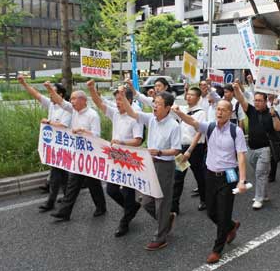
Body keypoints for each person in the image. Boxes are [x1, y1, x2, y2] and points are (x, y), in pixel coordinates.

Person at [172, 100, 248, 264]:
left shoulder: (236, 131)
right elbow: (192, 121)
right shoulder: (210, 127)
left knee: (223, 212)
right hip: (211, 173)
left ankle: (217, 249)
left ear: (230, 113)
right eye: (218, 109)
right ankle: (231, 225)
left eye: (223, 110)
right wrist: (178, 112)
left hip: (229, 174)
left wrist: (242, 180)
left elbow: (241, 156)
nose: (219, 112)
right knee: (211, 211)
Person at [120, 88, 181, 251]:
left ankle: (160, 237)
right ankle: (166, 219)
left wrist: (160, 152)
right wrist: (122, 97)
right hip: (149, 164)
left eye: (159, 104)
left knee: (162, 202)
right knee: (146, 201)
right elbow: (132, 113)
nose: (155, 107)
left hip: (164, 166)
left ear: (168, 108)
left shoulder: (174, 125)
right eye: (154, 103)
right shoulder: (151, 119)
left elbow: (176, 150)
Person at [87, 80, 143, 237]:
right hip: (115, 157)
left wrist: (122, 142)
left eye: (120, 99)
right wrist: (91, 89)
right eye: (116, 99)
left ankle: (125, 222)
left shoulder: (136, 116)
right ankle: (131, 208)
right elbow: (100, 104)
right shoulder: (116, 113)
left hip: (130, 159)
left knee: (128, 191)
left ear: (129, 100)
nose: (117, 103)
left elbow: (138, 140)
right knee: (111, 190)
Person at [43, 83, 106, 221]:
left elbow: (96, 136)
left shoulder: (93, 115)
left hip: (90, 155)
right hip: (78, 154)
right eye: (70, 99)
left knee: (93, 184)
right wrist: (49, 88)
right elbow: (60, 101)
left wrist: (83, 131)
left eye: (74, 99)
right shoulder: (74, 111)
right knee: (73, 184)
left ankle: (101, 207)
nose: (71, 102)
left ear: (83, 100)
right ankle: (65, 212)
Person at [18, 75, 71, 212]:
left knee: (55, 175)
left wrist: (48, 122)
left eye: (52, 92)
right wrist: (24, 83)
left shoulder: (68, 108)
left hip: (64, 147)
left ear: (60, 94)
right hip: (54, 147)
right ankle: (67, 198)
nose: (49, 95)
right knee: (63, 175)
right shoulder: (52, 105)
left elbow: (63, 126)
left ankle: (50, 202)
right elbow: (36, 94)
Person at [233, 83, 280, 210]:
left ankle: (259, 198)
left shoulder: (272, 112)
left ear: (266, 101)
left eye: (260, 101)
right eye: (255, 100)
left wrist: (274, 115)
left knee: (260, 173)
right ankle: (264, 194)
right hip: (251, 149)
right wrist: (236, 89)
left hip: (265, 149)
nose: (257, 103)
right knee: (260, 173)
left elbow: (278, 128)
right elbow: (241, 99)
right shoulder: (252, 111)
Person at [171, 87, 207, 214]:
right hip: (183, 147)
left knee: (199, 175)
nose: (189, 97)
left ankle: (204, 199)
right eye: (188, 94)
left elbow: (199, 133)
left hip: (195, 148)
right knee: (178, 177)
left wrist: (190, 151)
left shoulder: (201, 112)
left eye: (192, 95)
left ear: (198, 98)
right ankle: (174, 206)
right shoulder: (183, 110)